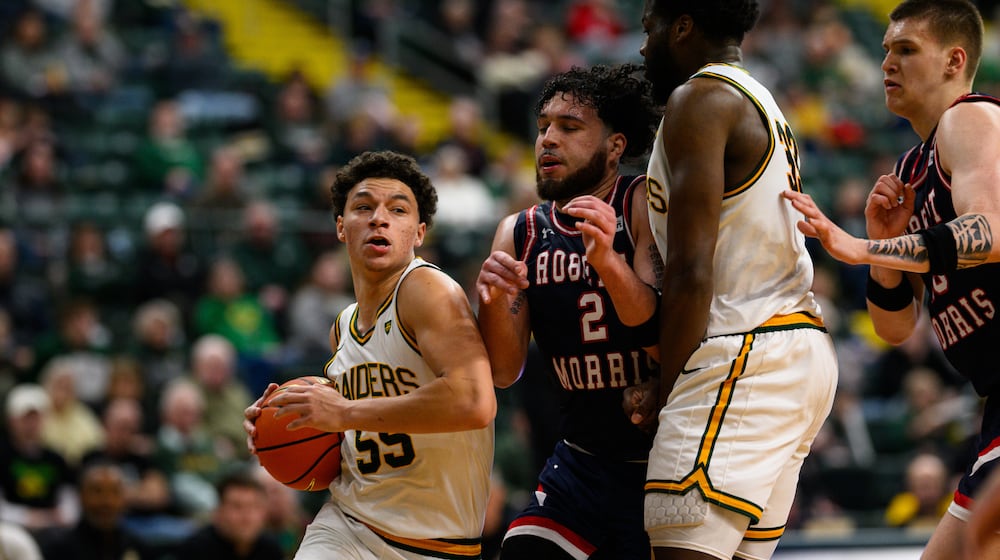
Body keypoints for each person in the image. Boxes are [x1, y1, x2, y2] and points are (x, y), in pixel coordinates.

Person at [781, 1, 1000, 558]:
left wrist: (862, 247)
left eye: (906, 50)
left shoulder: (970, 119)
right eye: (884, 51)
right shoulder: (909, 172)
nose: (887, 64)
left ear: (954, 61)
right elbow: (895, 328)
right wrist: (885, 258)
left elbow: (993, 231)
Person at [631, 1, 839, 559]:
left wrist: (671, 392)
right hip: (790, 350)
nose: (642, 43)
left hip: (743, 353)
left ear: (682, 26)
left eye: (648, 27)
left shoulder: (699, 100)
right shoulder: (760, 98)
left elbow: (691, 271)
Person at [243, 150, 495, 560]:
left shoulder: (426, 290)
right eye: (364, 207)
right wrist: (281, 420)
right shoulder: (342, 325)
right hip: (347, 523)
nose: (380, 218)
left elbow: (474, 401)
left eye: (398, 209)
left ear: (419, 233)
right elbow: (348, 422)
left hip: (435, 544)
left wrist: (344, 413)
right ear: (342, 228)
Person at [475, 63, 661, 559]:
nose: (548, 140)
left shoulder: (642, 202)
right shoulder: (519, 231)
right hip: (580, 462)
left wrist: (607, 263)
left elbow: (664, 336)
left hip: (661, 461)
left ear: (615, 146)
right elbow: (503, 370)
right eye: (543, 128)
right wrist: (492, 303)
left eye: (570, 128)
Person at [38, 461, 156, 560]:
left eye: (115, 492)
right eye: (97, 491)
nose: (107, 502)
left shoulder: (139, 547)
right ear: (81, 496)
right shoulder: (57, 549)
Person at [174, 470, 283, 560]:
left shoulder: (270, 549)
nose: (246, 516)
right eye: (237, 506)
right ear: (218, 512)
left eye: (254, 506)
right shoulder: (195, 551)